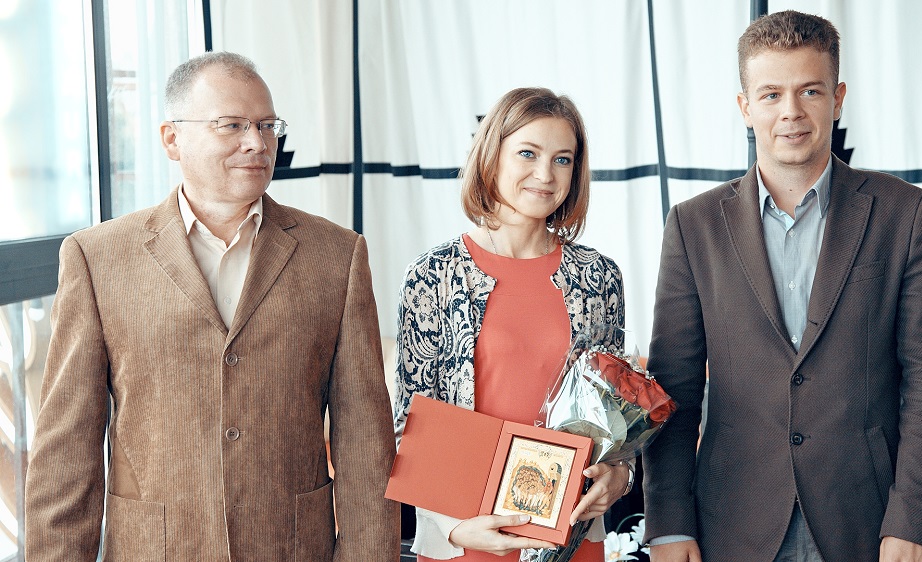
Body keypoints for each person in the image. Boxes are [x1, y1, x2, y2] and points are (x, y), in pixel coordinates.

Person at [24, 52, 399, 560]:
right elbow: (67, 450)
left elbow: (365, 442)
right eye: (232, 125)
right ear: (172, 139)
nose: (257, 143)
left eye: (267, 126)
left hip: (290, 548)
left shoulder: (337, 255)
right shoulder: (98, 258)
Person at [642, 11, 922, 562]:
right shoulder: (693, 226)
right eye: (770, 94)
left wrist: (915, 522)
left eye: (809, 90)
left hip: (871, 524)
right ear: (745, 107)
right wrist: (669, 525)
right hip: (732, 523)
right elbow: (674, 387)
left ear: (837, 99)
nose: (790, 111)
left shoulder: (906, 214)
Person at [392, 87, 632, 561]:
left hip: (571, 536)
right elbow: (410, 420)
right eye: (528, 153)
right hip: (466, 536)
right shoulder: (433, 274)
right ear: (491, 156)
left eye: (562, 160)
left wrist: (619, 476)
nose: (545, 174)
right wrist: (456, 529)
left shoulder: (599, 277)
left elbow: (614, 416)